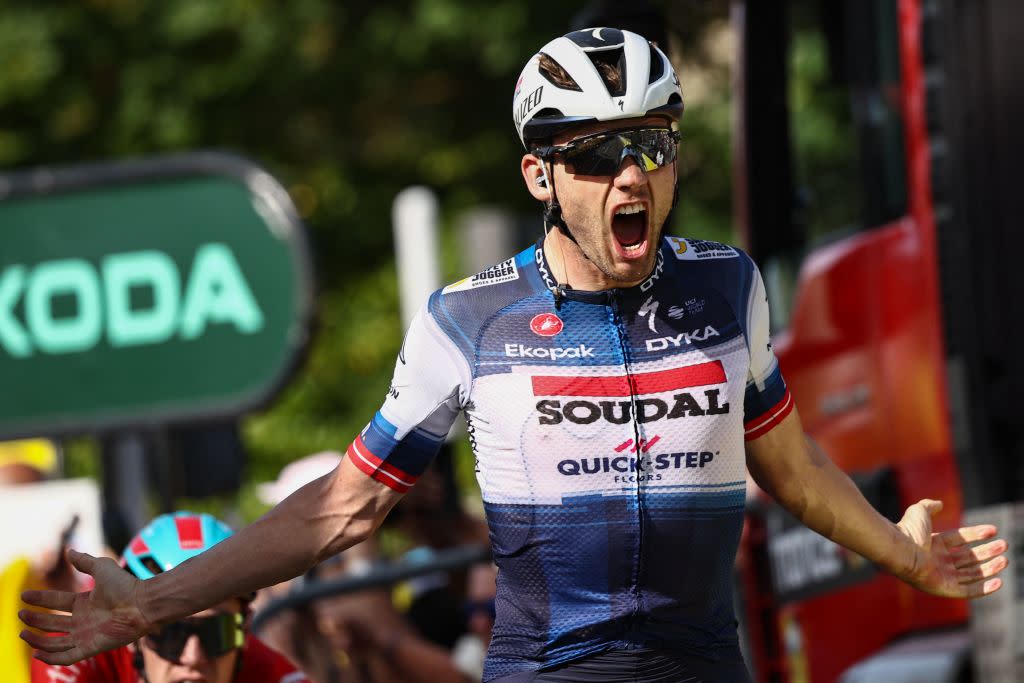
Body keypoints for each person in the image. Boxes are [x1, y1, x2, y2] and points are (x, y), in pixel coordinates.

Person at [20, 27, 1008, 683]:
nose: (630, 174)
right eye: (592, 153)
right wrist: (151, 600)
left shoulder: (727, 286)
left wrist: (902, 552)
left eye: (650, 145)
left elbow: (790, 466)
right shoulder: (469, 319)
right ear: (540, 173)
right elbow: (340, 507)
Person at [29, 511, 309, 683]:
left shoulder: (273, 673)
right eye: (170, 633)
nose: (193, 657)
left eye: (218, 633)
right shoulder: (75, 654)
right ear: (129, 638)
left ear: (244, 631)